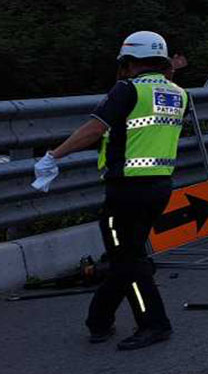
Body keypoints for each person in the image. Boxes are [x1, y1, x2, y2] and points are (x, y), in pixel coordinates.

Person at [31, 31, 187, 350]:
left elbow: (94, 129)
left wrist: (54, 155)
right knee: (126, 255)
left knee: (128, 259)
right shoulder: (179, 94)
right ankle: (99, 320)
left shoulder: (127, 89)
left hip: (126, 190)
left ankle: (154, 324)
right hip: (160, 186)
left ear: (128, 61)